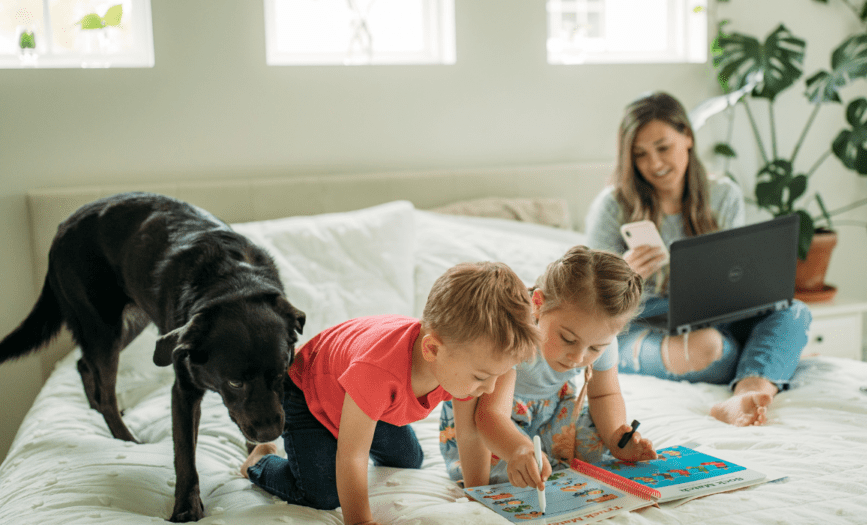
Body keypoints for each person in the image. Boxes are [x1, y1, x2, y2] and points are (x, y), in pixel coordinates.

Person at [240, 261, 541, 525]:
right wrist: (360, 520)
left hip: (367, 400)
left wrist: (478, 497)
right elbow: (352, 454)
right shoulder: (379, 371)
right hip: (309, 391)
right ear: (432, 349)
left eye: (497, 376)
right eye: (482, 377)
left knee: (410, 459)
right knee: (322, 493)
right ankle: (260, 460)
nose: (489, 388)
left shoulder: (463, 362)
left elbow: (470, 434)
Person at [584, 91, 811, 427]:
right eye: (640, 155)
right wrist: (625, 274)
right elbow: (587, 301)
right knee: (710, 348)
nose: (655, 164)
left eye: (663, 148)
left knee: (795, 312)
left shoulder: (723, 195)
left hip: (712, 314)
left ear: (687, 137)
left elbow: (735, 278)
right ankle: (761, 363)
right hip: (641, 323)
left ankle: (747, 391)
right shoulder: (613, 206)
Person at [439, 245, 658, 489]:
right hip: (496, 419)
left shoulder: (602, 338)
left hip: (554, 410)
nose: (578, 357)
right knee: (513, 474)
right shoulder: (513, 336)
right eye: (568, 339)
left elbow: (604, 393)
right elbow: (489, 415)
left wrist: (616, 437)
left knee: (597, 449)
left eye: (595, 349)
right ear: (538, 305)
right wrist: (518, 450)